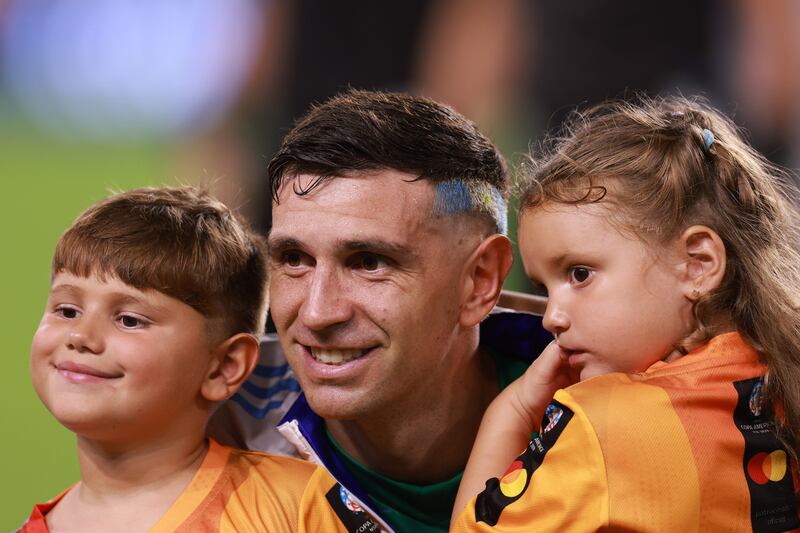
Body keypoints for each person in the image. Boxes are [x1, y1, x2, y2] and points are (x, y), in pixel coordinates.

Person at [207, 89, 552, 532]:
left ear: (479, 281)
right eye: (294, 259)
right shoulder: (208, 420)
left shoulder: (615, 409)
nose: (316, 313)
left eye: (369, 262)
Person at [452, 96, 800, 530]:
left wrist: (516, 409)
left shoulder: (602, 424)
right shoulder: (783, 379)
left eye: (579, 273)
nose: (551, 317)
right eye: (544, 288)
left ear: (698, 265)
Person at [18, 186, 339, 532]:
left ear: (224, 367)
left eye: (129, 320)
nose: (80, 336)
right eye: (67, 310)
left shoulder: (295, 505)